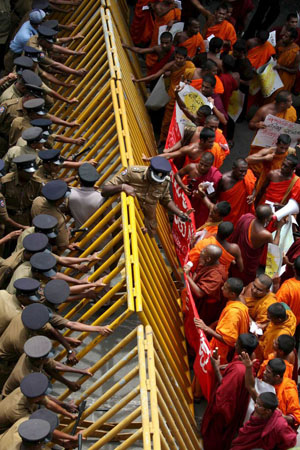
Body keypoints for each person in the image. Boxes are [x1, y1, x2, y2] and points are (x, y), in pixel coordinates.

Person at [101, 157, 191, 236]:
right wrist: (122, 187)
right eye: (154, 179)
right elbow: (105, 189)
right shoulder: (132, 173)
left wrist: (179, 213)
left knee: (143, 252)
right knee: (119, 247)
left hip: (146, 225)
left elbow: (166, 200)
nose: (156, 182)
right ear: (149, 169)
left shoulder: (164, 182)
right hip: (125, 220)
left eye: (158, 181)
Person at [201, 333, 259, 450]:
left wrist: (216, 368)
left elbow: (224, 398)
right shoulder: (250, 360)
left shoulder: (238, 371)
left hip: (223, 415)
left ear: (242, 350)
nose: (235, 344)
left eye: (237, 343)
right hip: (236, 408)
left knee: (214, 441)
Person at [132, 47, 195, 146]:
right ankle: (162, 139)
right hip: (173, 95)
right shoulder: (171, 65)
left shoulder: (190, 66)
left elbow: (193, 80)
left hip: (185, 97)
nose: (178, 60)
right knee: (167, 120)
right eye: (177, 58)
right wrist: (138, 80)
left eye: (181, 58)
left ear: (185, 58)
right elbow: (155, 75)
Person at [1, 335, 93, 397]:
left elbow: (54, 365)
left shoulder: (31, 356)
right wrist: (65, 406)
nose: (48, 359)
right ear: (41, 359)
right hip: (14, 397)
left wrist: (81, 371)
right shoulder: (26, 376)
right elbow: (42, 399)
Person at [195, 277, 249, 364]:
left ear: (232, 294)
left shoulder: (234, 312)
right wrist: (212, 325)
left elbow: (229, 340)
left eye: (225, 288)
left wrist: (206, 329)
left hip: (223, 351)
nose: (222, 288)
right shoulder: (240, 301)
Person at [229, 205, 283, 285]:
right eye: (271, 214)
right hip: (248, 265)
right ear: (265, 219)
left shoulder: (246, 217)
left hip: (236, 259)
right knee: (244, 284)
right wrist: (279, 228)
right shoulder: (265, 234)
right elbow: (274, 247)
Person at [242, 355, 300, 428]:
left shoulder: (289, 391)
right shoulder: (266, 378)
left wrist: (279, 416)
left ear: (277, 377)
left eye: (268, 372)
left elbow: (296, 417)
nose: (264, 373)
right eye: (265, 370)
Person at [230, 391, 297, 450]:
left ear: (268, 411)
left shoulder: (279, 425)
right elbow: (247, 432)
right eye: (256, 402)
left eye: (259, 405)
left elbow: (290, 442)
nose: (255, 406)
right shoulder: (257, 413)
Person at [174, 152, 222, 228]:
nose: (202, 167)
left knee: (195, 221)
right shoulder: (191, 167)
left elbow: (214, 195)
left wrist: (202, 195)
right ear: (199, 160)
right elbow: (177, 175)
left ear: (211, 165)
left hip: (201, 204)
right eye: (201, 164)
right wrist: (183, 186)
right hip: (188, 197)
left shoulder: (215, 176)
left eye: (206, 166)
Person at [184, 244, 227, 324]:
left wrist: (187, 276)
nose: (200, 254)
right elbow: (197, 273)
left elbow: (200, 293)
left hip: (207, 306)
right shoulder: (208, 263)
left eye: (202, 254)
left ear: (208, 259)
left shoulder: (216, 276)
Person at [31, 180, 70, 252]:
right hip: (47, 248)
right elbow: (62, 245)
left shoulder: (37, 201)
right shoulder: (58, 219)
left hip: (32, 238)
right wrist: (68, 233)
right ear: (58, 201)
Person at [217, 158, 256, 225]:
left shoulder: (248, 175)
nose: (243, 174)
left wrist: (253, 195)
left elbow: (254, 187)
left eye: (245, 171)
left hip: (241, 215)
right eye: (241, 171)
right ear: (233, 168)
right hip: (226, 215)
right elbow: (216, 197)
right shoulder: (224, 180)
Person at [274, 256, 300, 327]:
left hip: (285, 324)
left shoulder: (288, 287)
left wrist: (275, 285)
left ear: (294, 268)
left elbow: (276, 306)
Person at [275, 28, 300, 92]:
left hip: (284, 79)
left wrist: (281, 67)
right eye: (284, 35)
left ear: (291, 40)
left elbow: (294, 70)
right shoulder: (280, 42)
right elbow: (274, 53)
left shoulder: (296, 53)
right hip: (273, 71)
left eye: (286, 37)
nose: (283, 37)